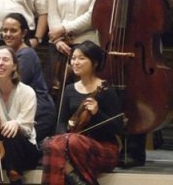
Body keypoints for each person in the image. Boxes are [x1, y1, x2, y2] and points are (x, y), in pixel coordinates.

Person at [96, 0, 173, 168]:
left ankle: (136, 148)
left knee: (140, 90)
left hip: (142, 50)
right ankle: (116, 148)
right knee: (113, 96)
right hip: (114, 50)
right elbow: (95, 13)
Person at [41, 40, 123, 185]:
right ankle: (78, 179)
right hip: (71, 147)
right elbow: (61, 122)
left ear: (95, 63)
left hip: (103, 149)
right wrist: (63, 138)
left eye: (81, 58)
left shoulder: (106, 90)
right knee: (52, 143)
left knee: (71, 141)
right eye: (73, 58)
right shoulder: (69, 89)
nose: (75, 62)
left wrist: (97, 113)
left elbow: (118, 128)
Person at [0, 13, 56, 145]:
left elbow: (12, 82)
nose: (8, 34)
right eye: (5, 30)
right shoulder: (10, 53)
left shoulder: (27, 54)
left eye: (13, 30)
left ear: (24, 33)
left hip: (37, 114)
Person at [0, 46, 40, 185]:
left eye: (5, 60)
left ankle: (15, 178)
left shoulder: (27, 92)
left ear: (14, 66)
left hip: (24, 151)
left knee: (11, 133)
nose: (0, 63)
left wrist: (17, 123)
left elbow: (28, 128)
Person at [47, 0, 100, 96]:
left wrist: (64, 29)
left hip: (85, 45)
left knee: (80, 92)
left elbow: (92, 15)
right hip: (59, 45)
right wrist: (57, 39)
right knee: (55, 91)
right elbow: (53, 12)